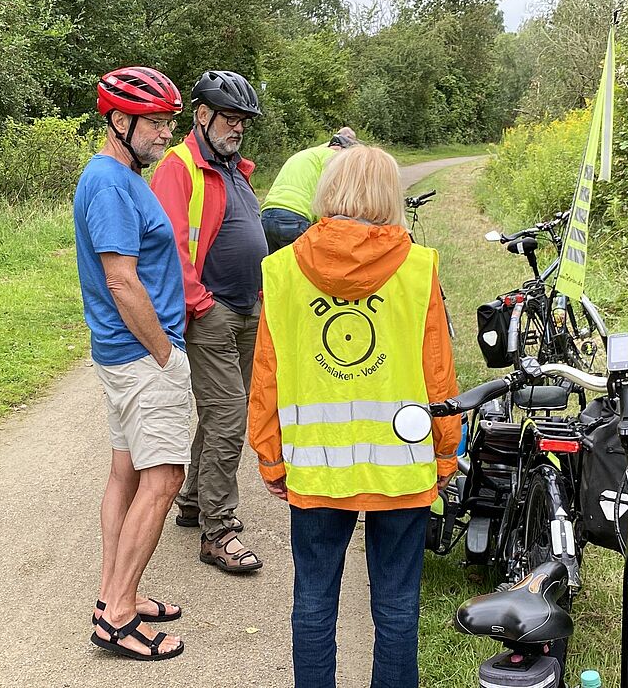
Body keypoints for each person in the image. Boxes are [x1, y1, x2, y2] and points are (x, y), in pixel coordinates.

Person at [248, 145, 461, 687]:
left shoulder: (281, 270)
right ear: (390, 196)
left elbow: (267, 373)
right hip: (402, 466)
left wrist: (270, 455)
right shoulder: (418, 269)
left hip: (316, 468)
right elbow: (438, 373)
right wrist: (445, 452)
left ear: (328, 190)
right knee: (396, 608)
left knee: (313, 603)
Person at [74, 66, 189, 661]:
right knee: (164, 478)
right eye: (156, 122)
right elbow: (121, 280)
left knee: (126, 474)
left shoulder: (118, 177)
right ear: (120, 120)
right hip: (145, 358)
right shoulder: (111, 185)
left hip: (126, 358)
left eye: (170, 121)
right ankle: (118, 617)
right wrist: (165, 353)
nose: (166, 133)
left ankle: (114, 593)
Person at [151, 70, 266, 573]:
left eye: (243, 120)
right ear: (202, 115)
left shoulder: (236, 168)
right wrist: (199, 303)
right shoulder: (180, 166)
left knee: (221, 413)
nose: (237, 127)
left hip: (247, 308)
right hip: (212, 312)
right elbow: (168, 243)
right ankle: (218, 531)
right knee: (229, 415)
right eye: (229, 118)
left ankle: (194, 500)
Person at [260, 127, 358, 252]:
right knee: (302, 262)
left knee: (274, 262)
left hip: (267, 214)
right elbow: (331, 196)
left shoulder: (309, 153)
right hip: (295, 217)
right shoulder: (333, 158)